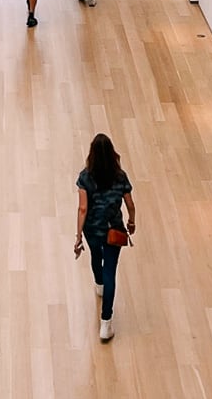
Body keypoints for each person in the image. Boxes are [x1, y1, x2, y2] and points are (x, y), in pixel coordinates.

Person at [74, 132, 135, 341]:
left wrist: (78, 235)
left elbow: (83, 208)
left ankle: (98, 284)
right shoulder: (120, 176)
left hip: (92, 229)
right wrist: (131, 222)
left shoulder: (85, 177)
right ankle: (106, 323)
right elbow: (130, 204)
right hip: (113, 230)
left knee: (95, 256)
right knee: (111, 270)